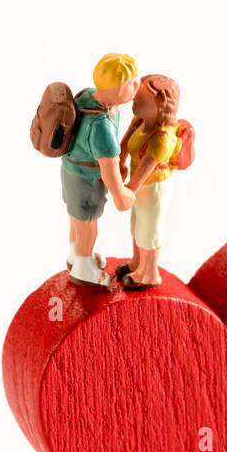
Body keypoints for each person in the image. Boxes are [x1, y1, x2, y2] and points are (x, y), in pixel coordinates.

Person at [61, 53, 142, 287]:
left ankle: (75, 255)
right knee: (88, 225)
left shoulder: (88, 95)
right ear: (117, 89)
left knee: (76, 220)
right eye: (131, 83)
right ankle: (84, 268)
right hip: (86, 179)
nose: (138, 86)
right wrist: (120, 194)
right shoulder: (101, 126)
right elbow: (108, 168)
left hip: (70, 170)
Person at [115, 75, 186, 290]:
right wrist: (120, 161)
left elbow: (146, 168)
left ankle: (150, 273)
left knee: (150, 229)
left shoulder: (162, 138)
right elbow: (125, 145)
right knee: (137, 225)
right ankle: (137, 263)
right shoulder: (140, 122)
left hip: (153, 187)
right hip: (140, 187)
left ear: (158, 106)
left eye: (141, 98)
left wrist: (129, 189)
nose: (134, 99)